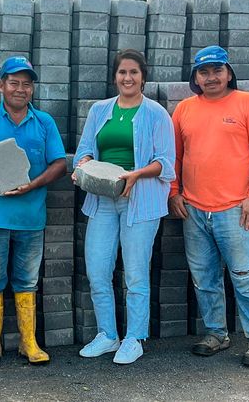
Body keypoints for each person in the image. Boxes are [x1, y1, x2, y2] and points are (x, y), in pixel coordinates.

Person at [168, 45, 249, 367]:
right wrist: (174, 192)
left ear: (229, 74)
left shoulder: (247, 103)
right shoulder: (184, 109)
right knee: (204, 278)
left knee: (245, 276)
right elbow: (174, 156)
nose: (211, 77)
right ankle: (217, 333)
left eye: (217, 70)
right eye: (204, 72)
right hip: (194, 210)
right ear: (195, 77)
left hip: (235, 210)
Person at [0, 56, 66, 368]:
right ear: (1, 86)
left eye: (26, 84)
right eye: (14, 82)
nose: (20, 89)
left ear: (32, 89)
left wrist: (33, 185)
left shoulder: (44, 122)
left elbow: (60, 164)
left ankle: (28, 342)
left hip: (30, 218)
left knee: (26, 281)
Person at [73, 49, 175, 364]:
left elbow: (166, 162)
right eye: (122, 72)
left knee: (135, 273)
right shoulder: (99, 110)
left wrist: (136, 174)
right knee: (98, 270)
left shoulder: (156, 113)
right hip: (103, 199)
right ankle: (107, 334)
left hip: (140, 201)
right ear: (115, 76)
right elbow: (84, 151)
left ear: (143, 77)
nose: (127, 78)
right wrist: (84, 166)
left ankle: (134, 337)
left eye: (133, 72)